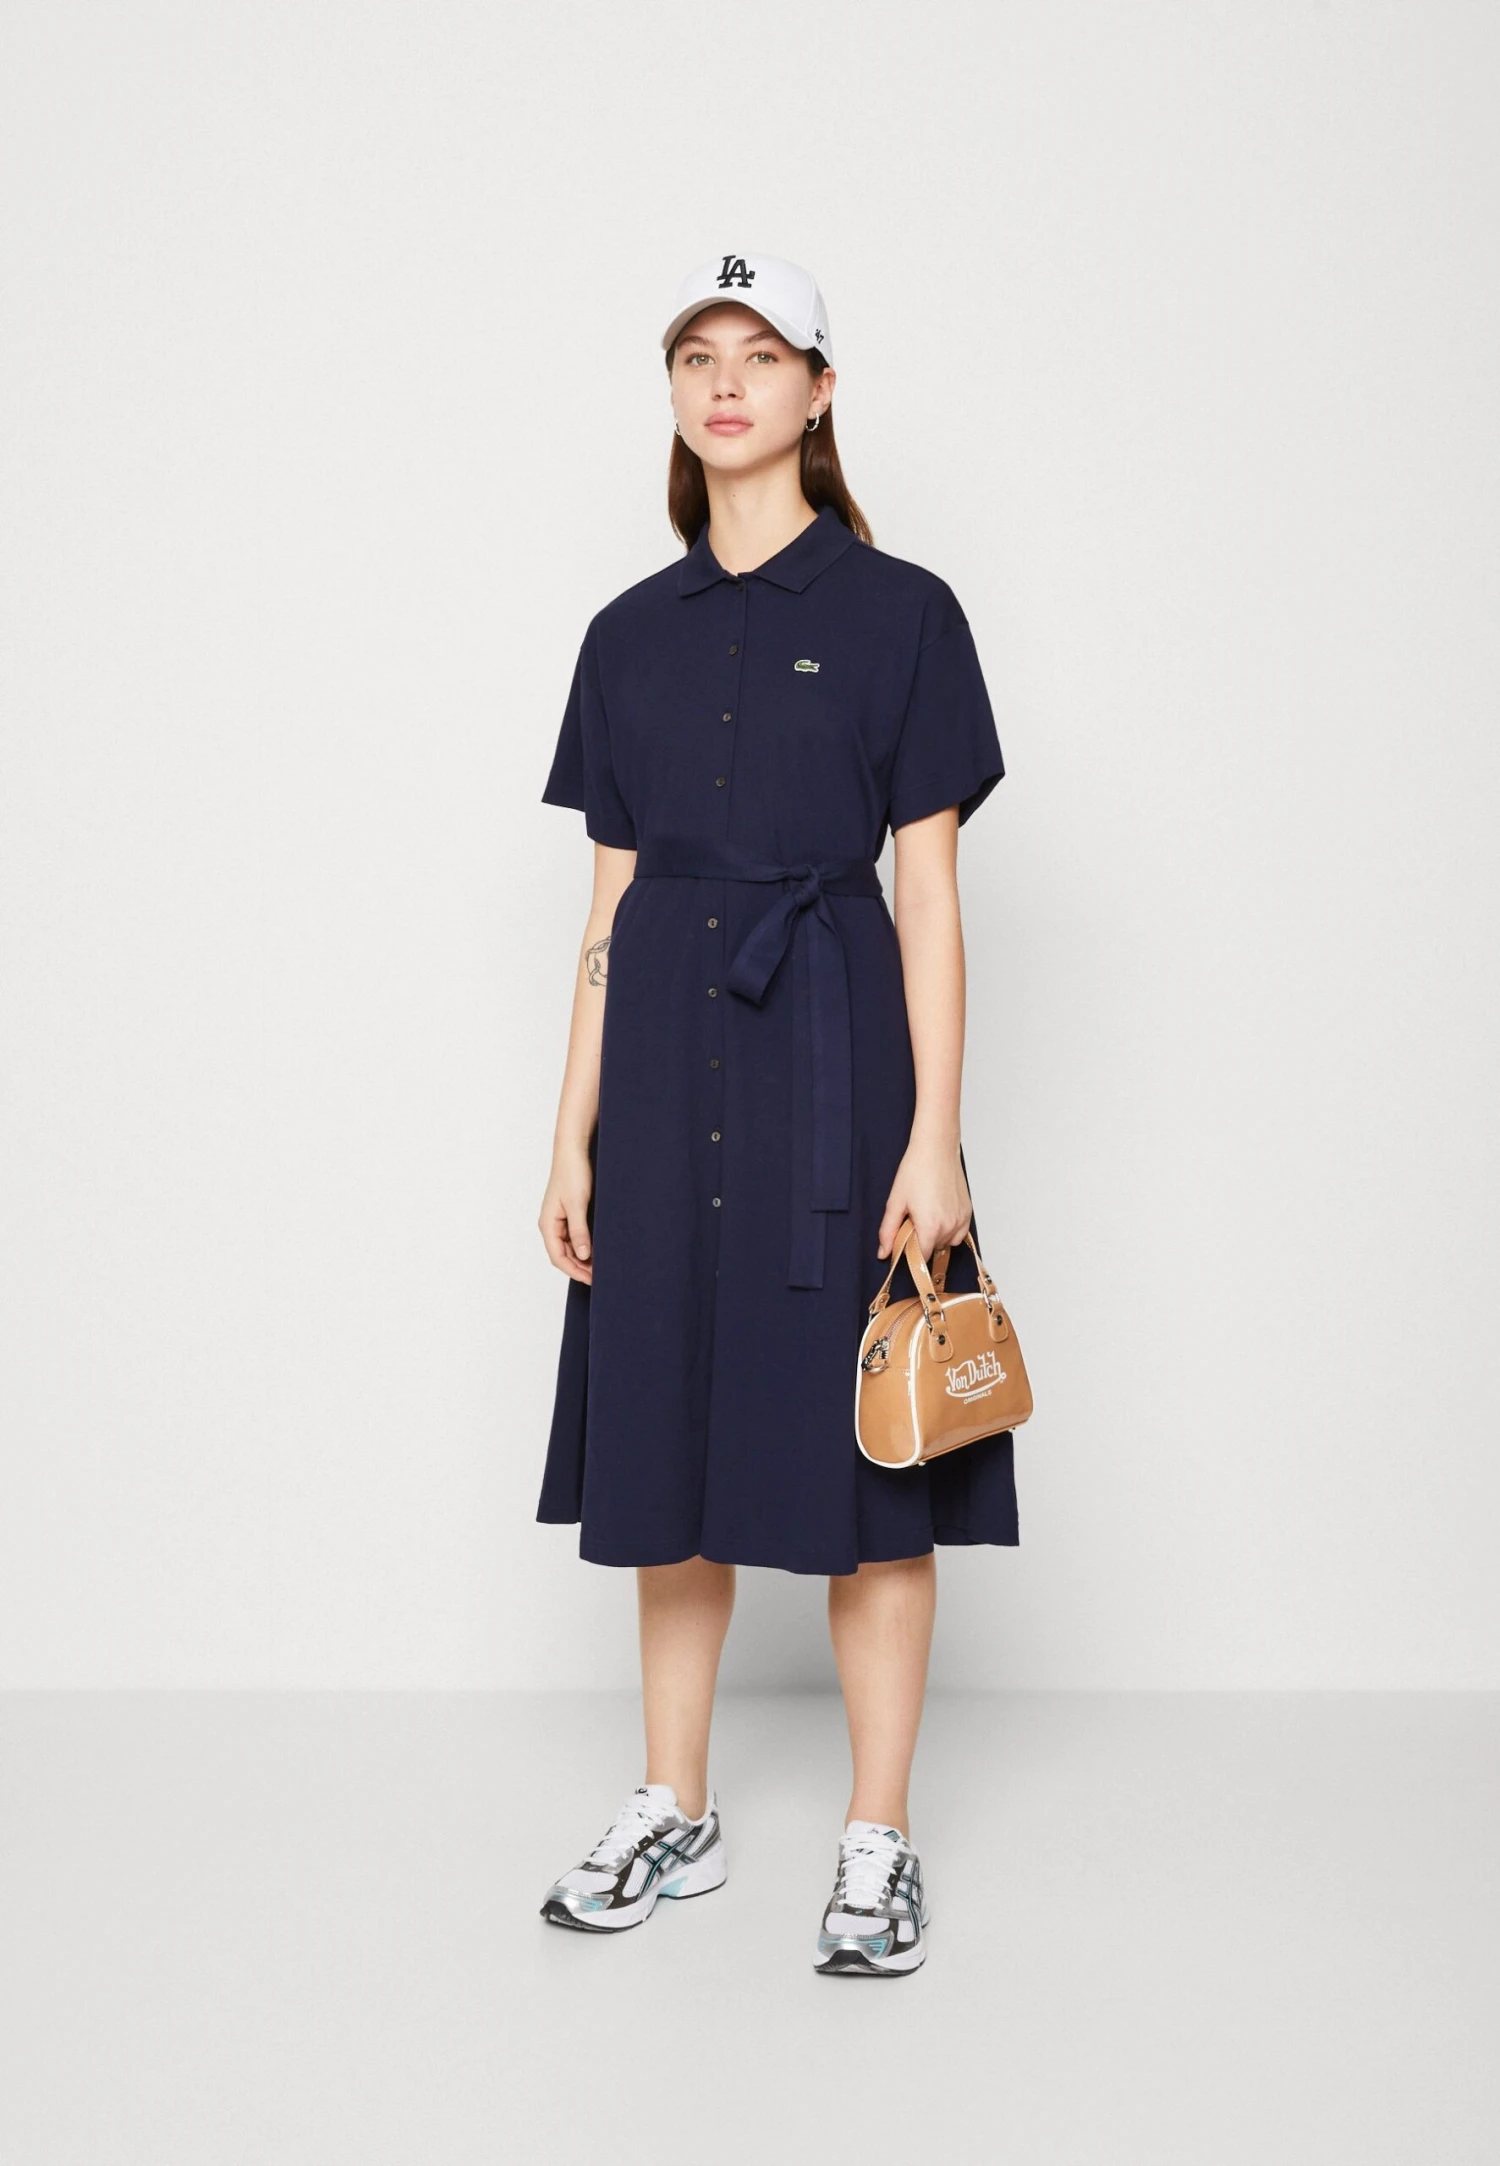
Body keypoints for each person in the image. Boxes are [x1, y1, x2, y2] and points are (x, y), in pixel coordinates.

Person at [534, 251, 1018, 1977]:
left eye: (762, 353)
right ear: (674, 394)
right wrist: (572, 1129)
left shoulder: (906, 614)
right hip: (663, 1072)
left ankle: (878, 1836)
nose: (726, 381)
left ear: (819, 392)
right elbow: (609, 904)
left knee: (869, 1454)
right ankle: (676, 1802)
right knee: (663, 1445)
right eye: (696, 355)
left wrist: (935, 1133)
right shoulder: (624, 636)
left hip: (835, 1062)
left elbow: (930, 893)